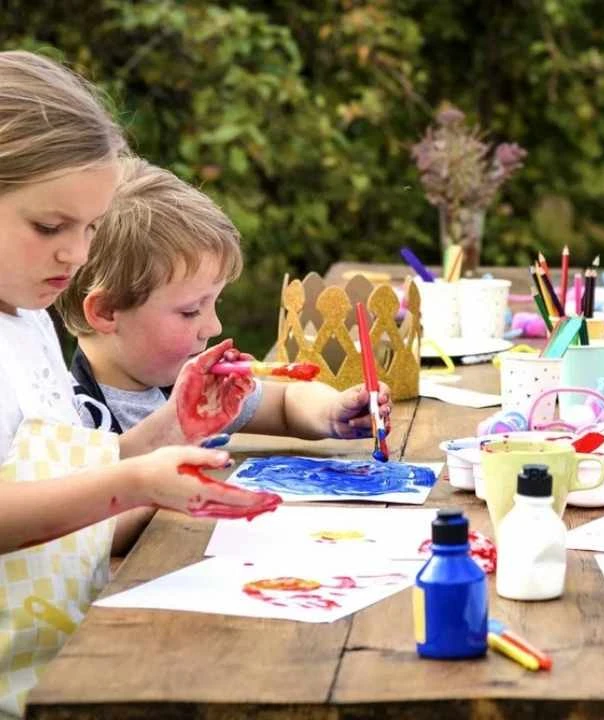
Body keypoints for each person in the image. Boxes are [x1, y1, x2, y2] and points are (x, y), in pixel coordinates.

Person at [0, 50, 277, 717]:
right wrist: (140, 482)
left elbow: (54, 468)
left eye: (91, 228)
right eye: (50, 227)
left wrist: (172, 428)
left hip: (65, 658)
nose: (77, 253)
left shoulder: (29, 317)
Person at [55, 157, 391, 443]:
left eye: (215, 302)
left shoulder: (183, 383)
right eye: (190, 311)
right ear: (107, 310)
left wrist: (334, 413)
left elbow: (285, 402)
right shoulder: (72, 422)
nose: (213, 326)